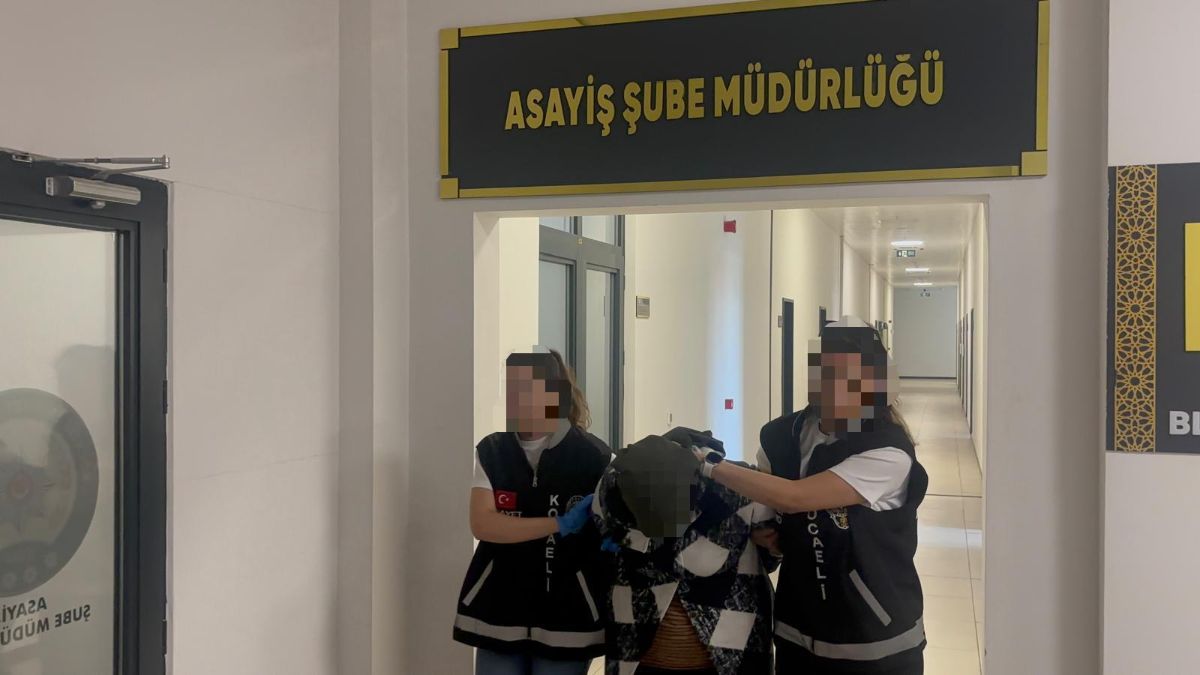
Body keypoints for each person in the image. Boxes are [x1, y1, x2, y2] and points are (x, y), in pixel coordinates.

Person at [694, 317, 929, 675]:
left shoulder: (887, 452)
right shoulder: (779, 437)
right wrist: (768, 538)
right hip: (798, 633)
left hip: (874, 641)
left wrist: (708, 464)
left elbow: (794, 497)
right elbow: (771, 509)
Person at [454, 349, 613, 675]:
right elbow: (483, 524)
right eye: (513, 389)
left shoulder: (594, 456)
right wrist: (558, 524)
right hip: (500, 609)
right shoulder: (493, 451)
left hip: (568, 613)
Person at [593, 430, 778, 675]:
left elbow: (773, 551)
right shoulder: (612, 488)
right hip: (642, 646)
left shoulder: (736, 486)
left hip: (728, 647)